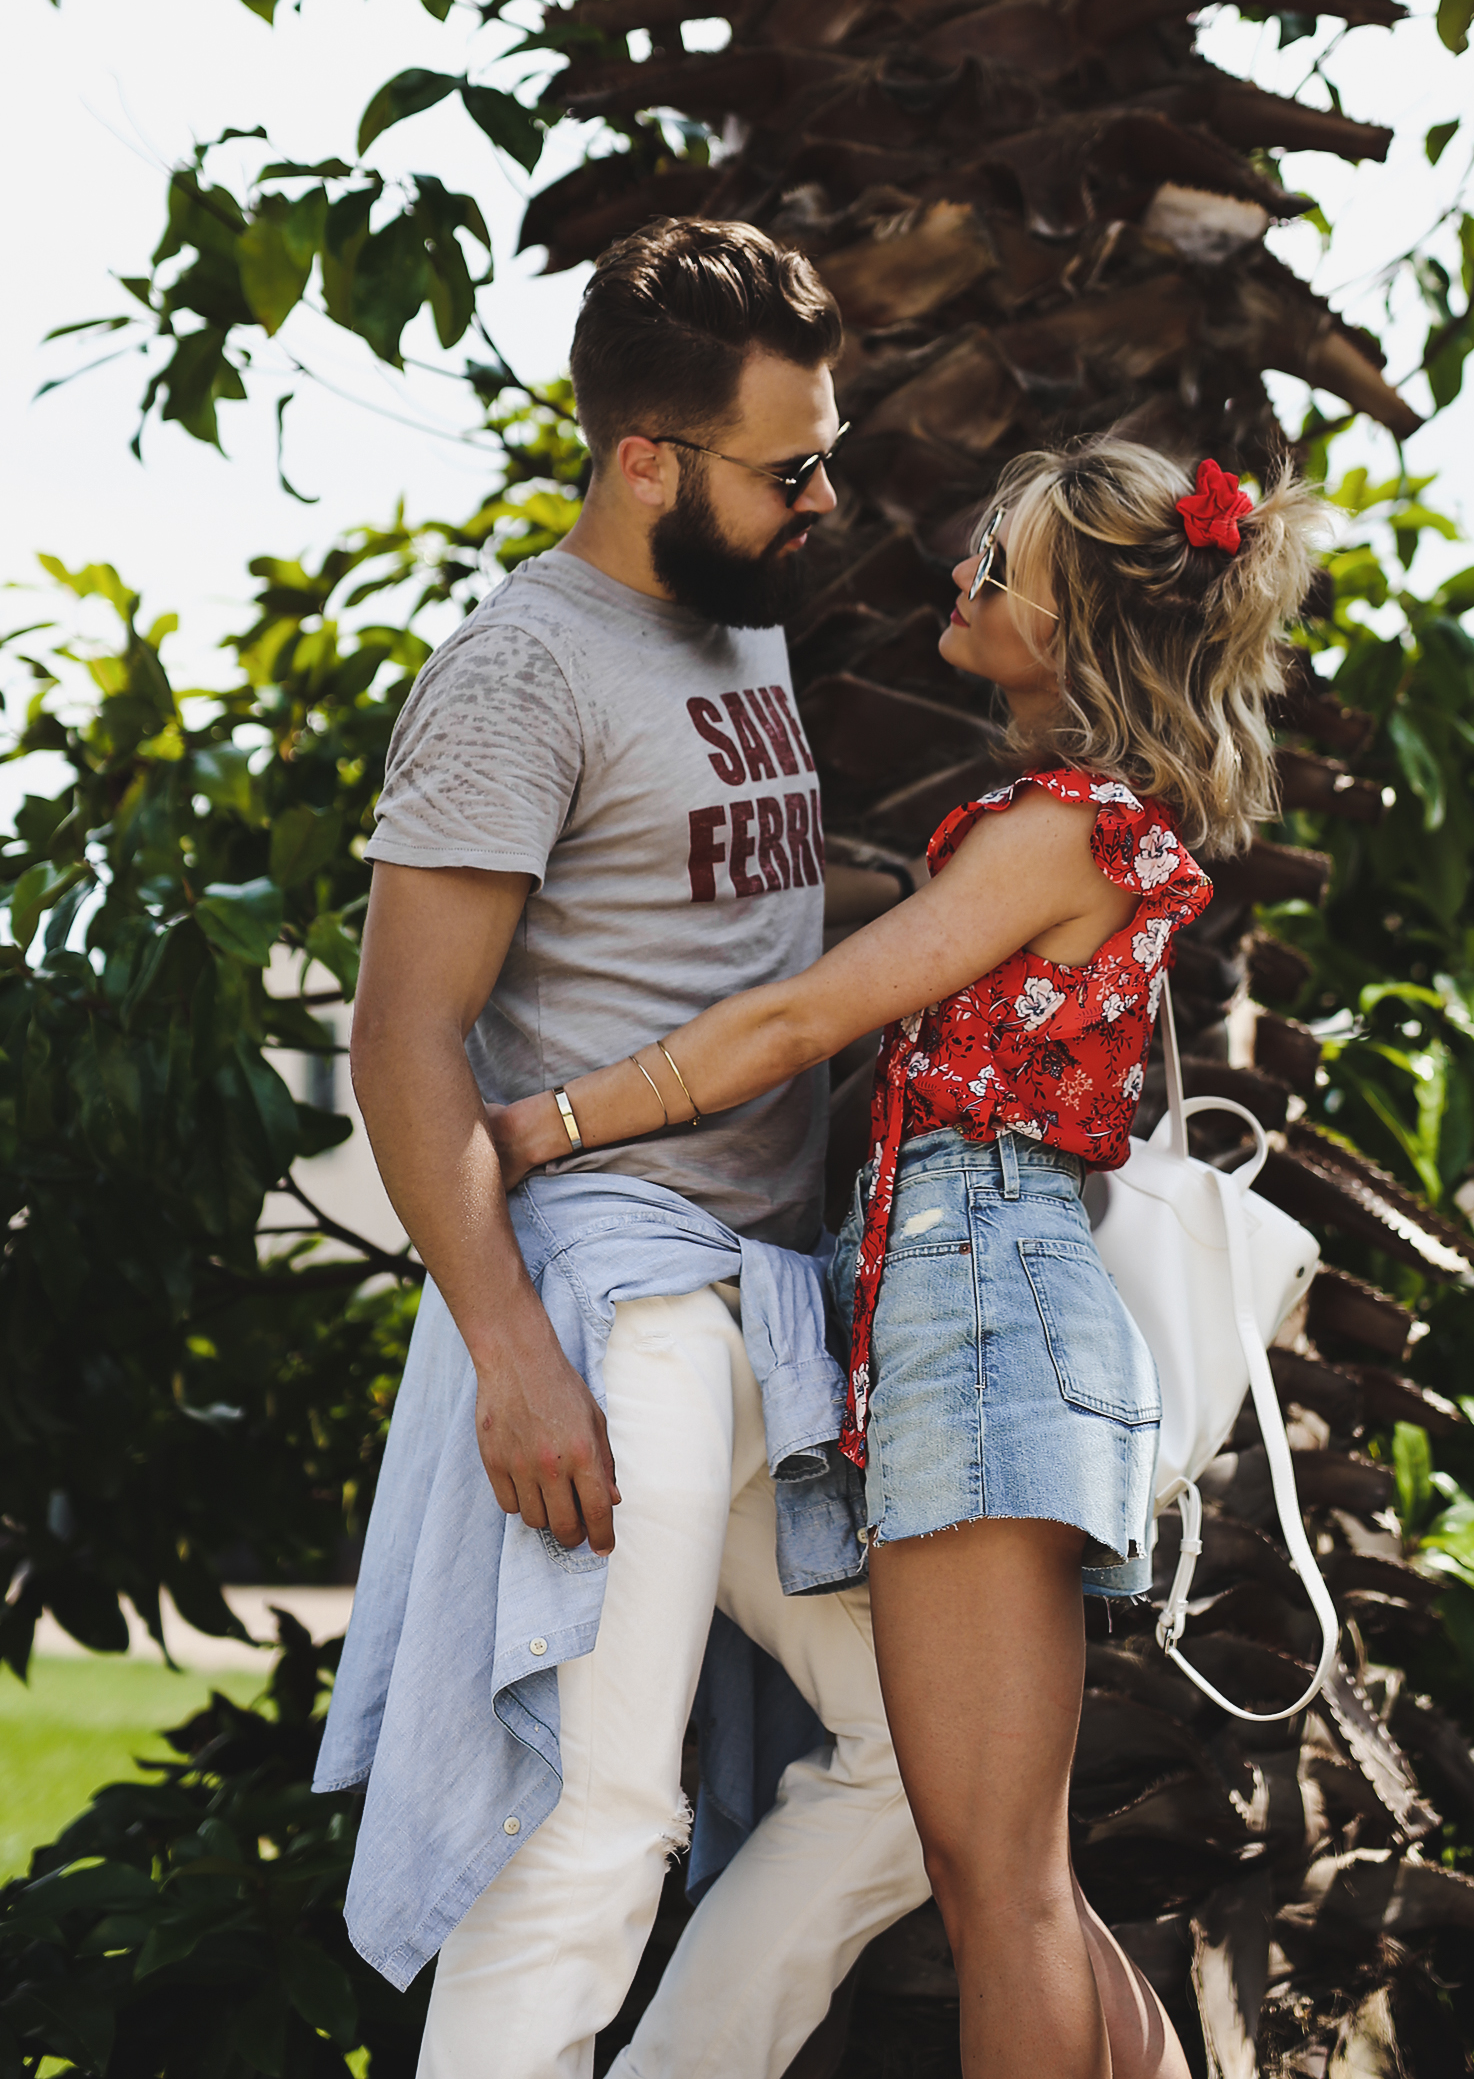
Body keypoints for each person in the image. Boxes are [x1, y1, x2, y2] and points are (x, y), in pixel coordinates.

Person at [490, 437, 1323, 2079]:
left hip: (983, 1299)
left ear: (1075, 627)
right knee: (1011, 1875)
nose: (961, 577)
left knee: (993, 1887)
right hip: (975, 1295)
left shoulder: (1062, 829)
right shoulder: (1062, 826)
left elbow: (806, 1016)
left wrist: (545, 1126)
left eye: (999, 569)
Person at [312, 219, 931, 2079]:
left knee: (921, 1767)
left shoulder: (733, 610)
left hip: (765, 1302)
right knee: (591, 1829)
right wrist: (514, 1360)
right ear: (646, 458)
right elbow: (402, 1035)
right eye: (790, 465)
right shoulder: (520, 673)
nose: (824, 497)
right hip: (611, 1300)